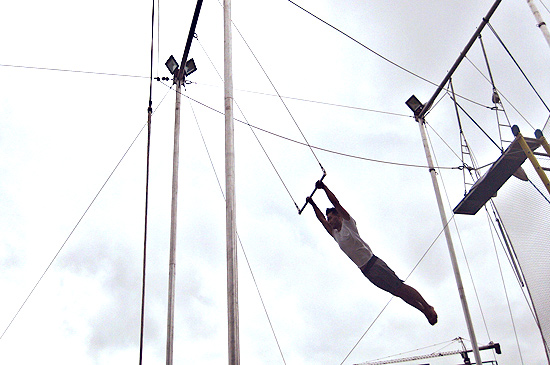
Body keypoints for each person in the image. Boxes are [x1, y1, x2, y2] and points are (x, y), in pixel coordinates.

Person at [306, 180, 438, 325]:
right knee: (397, 293)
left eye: (330, 218)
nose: (329, 221)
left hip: (374, 264)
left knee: (400, 287)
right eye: (328, 219)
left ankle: (427, 307)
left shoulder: (348, 224)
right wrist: (312, 203)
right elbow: (320, 219)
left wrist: (324, 188)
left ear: (338, 216)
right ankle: (423, 311)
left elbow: (336, 203)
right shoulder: (335, 234)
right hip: (367, 272)